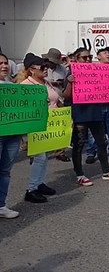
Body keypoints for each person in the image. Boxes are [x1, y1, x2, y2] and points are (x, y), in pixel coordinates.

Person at [63, 48, 109, 185]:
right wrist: (70, 82)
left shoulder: (97, 71)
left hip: (96, 113)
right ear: (76, 59)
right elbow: (66, 96)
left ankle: (106, 171)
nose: (87, 60)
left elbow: (105, 89)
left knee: (102, 142)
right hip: (80, 114)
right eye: (84, 58)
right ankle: (79, 174)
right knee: (79, 145)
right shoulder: (72, 73)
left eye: (89, 57)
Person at [18, 53, 61, 203]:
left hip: (50, 125)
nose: (46, 69)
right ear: (31, 70)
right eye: (43, 67)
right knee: (39, 157)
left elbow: (55, 100)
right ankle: (31, 190)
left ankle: (39, 183)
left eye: (47, 66)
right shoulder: (26, 86)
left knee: (44, 157)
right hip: (35, 127)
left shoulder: (46, 82)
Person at [86, 47, 109, 161]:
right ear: (98, 56)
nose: (108, 54)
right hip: (97, 104)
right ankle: (91, 153)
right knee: (94, 130)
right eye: (105, 52)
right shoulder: (92, 69)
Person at [0, 52, 22, 218]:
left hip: (13, 134)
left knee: (5, 171)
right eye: (0, 63)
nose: (4, 66)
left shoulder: (13, 86)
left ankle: (1, 205)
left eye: (6, 63)